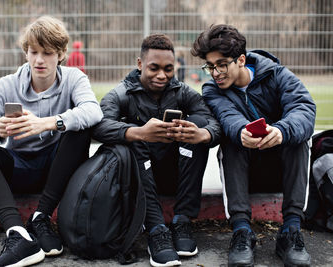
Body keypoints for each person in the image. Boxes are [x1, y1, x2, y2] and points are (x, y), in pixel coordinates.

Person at [0, 16, 103, 267]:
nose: (39, 60)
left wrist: (49, 122)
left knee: (79, 130)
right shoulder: (7, 85)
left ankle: (41, 216)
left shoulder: (73, 78)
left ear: (60, 54)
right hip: (19, 168)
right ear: (25, 52)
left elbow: (94, 111)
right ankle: (18, 234)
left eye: (47, 53)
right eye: (33, 52)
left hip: (59, 169)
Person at [191, 24, 316, 267]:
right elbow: (227, 117)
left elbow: (304, 109)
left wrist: (280, 131)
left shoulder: (277, 75)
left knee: (297, 138)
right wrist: (241, 131)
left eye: (222, 64)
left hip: (283, 170)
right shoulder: (212, 90)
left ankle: (291, 231)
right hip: (246, 172)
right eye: (210, 66)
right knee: (232, 140)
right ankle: (241, 231)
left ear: (241, 59)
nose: (215, 73)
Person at [92, 33, 221, 267]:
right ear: (140, 64)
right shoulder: (120, 94)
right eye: (154, 68)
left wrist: (202, 134)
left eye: (168, 69)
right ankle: (156, 228)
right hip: (138, 180)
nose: (162, 75)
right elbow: (99, 127)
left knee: (197, 127)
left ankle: (182, 221)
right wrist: (138, 132)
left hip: (177, 175)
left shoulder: (182, 92)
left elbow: (214, 124)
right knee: (131, 135)